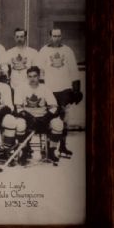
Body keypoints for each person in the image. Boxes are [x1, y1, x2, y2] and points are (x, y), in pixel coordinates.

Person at [37, 28, 82, 157]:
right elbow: (39, 71)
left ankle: (62, 146)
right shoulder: (44, 51)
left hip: (65, 89)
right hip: (50, 90)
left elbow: (74, 71)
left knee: (64, 118)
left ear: (61, 37)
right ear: (50, 36)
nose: (57, 38)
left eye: (59, 36)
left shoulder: (67, 51)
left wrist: (77, 90)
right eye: (54, 36)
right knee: (50, 118)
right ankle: (48, 148)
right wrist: (41, 90)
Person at [14, 66, 62, 165]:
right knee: (20, 124)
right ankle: (24, 150)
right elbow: (18, 108)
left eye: (35, 76)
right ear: (27, 77)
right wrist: (31, 118)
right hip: (27, 117)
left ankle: (52, 150)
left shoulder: (45, 88)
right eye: (30, 76)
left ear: (39, 76)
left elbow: (54, 107)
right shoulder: (21, 88)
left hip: (42, 118)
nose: (32, 79)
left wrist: (45, 118)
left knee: (58, 124)